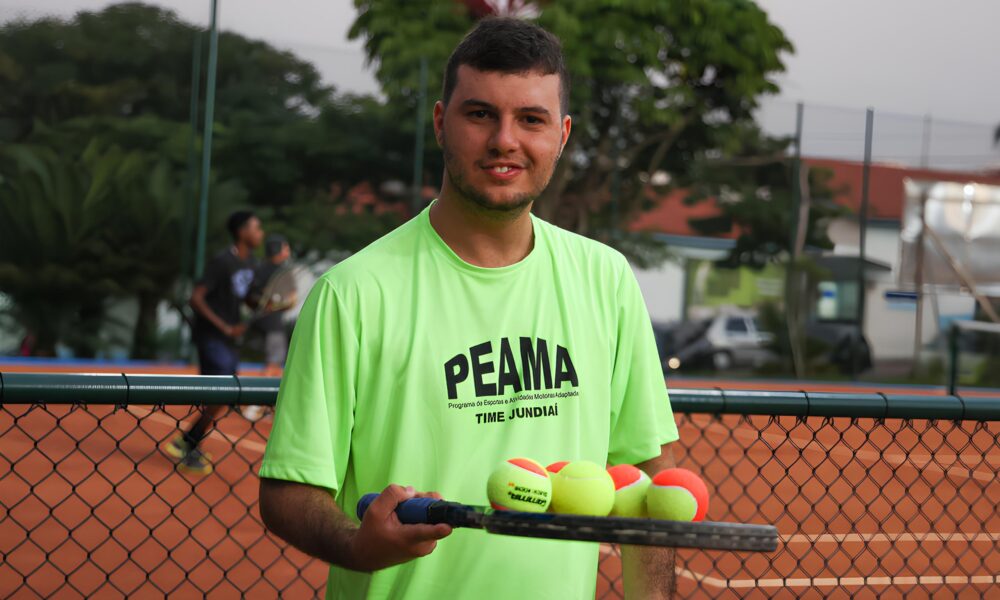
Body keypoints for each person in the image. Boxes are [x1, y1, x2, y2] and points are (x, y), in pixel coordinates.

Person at [258, 18, 679, 599]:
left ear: (562, 135)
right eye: (480, 114)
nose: (504, 140)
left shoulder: (606, 279)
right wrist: (359, 546)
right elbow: (288, 491)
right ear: (440, 122)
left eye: (531, 119)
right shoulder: (352, 293)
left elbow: (646, 478)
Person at [166, 210, 264, 475]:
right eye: (256, 228)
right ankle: (188, 443)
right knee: (221, 392)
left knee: (224, 394)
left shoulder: (251, 263)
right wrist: (225, 327)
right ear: (242, 232)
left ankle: (188, 440)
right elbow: (196, 298)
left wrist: (268, 303)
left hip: (228, 339)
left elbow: (247, 298)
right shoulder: (222, 262)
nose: (260, 233)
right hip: (211, 337)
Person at [243, 234, 297, 421]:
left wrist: (264, 306)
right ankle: (255, 405)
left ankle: (270, 405)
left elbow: (249, 298)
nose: (288, 251)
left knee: (274, 363)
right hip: (273, 324)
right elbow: (291, 300)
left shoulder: (258, 268)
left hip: (258, 323)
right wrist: (279, 305)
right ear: (279, 251)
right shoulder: (284, 271)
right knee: (273, 364)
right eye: (286, 248)